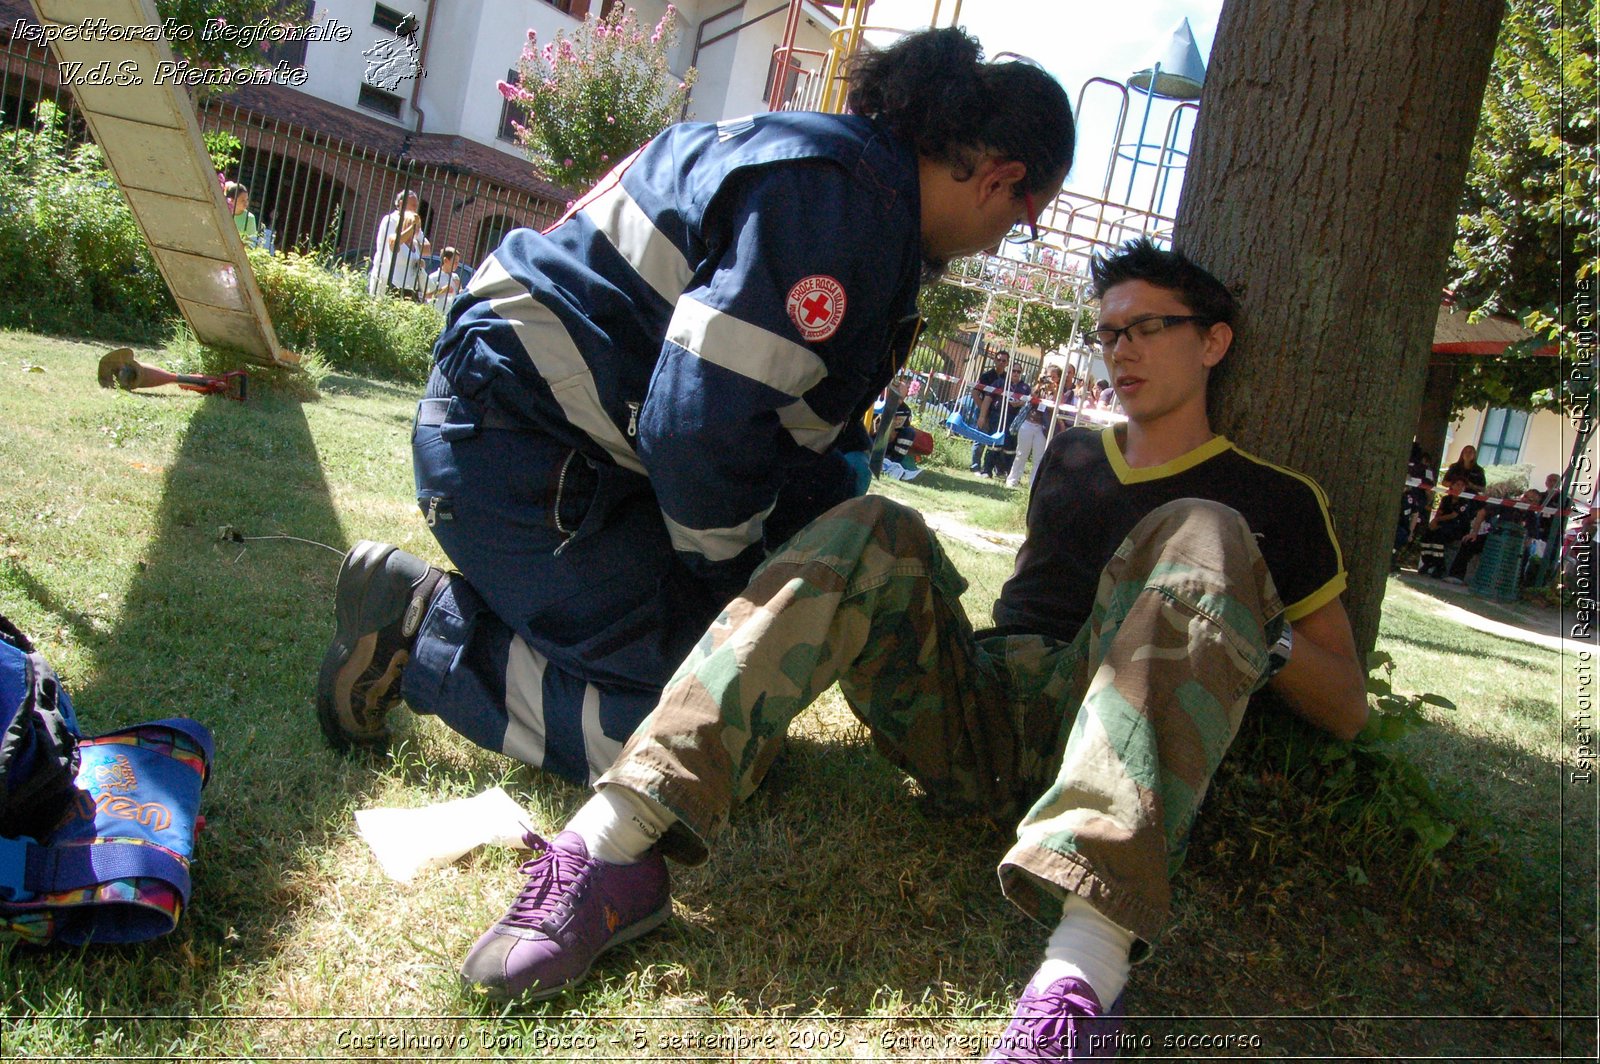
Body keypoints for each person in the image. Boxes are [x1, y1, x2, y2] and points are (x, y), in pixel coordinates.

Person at [455, 238, 1367, 1063]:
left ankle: (1081, 980)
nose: (1119, 350)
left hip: (1112, 719)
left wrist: (1231, 611)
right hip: (976, 711)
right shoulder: (1076, 455)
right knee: (871, 525)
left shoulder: (1273, 502)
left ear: (1213, 342)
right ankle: (618, 842)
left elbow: (1347, 705)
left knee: (1202, 528)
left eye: (1147, 329)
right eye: (1109, 333)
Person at [316, 28, 1076, 788]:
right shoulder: (845, 209)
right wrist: (732, 591)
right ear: (1001, 180)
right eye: (1021, 224)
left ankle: (525, 617)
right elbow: (697, 428)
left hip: (542, 437)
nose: (998, 243)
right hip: (520, 449)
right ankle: (421, 638)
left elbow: (798, 443)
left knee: (725, 688)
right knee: (698, 730)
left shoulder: (846, 180)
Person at [368, 189, 430, 299]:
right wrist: (411, 232)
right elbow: (394, 245)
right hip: (386, 278)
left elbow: (427, 249)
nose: (416, 210)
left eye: (417, 206)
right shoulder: (390, 220)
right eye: (413, 206)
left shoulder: (413, 222)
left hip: (407, 284)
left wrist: (413, 243)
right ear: (401, 204)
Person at [1007, 363, 1061, 488]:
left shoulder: (1058, 391)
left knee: (1038, 457)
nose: (1051, 379)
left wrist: (1054, 389)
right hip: (1028, 423)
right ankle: (1012, 480)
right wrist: (1040, 384)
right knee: (1021, 453)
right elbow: (1031, 397)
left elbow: (1057, 406)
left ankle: (1033, 485)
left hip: (1043, 427)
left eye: (1054, 377)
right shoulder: (1040, 387)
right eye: (1049, 376)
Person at [1417, 473, 1478, 578]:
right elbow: (1440, 511)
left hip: (1456, 529)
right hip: (1443, 525)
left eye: (1462, 486)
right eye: (1457, 484)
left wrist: (1438, 520)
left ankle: (1439, 566)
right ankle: (1427, 562)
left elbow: (1453, 515)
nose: (1459, 487)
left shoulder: (1464, 501)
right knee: (1426, 536)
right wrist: (1434, 522)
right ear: (1452, 486)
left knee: (1438, 538)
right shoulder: (1446, 499)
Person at [425, 247, 463, 313]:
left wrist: (460, 288)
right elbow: (425, 296)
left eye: (458, 262)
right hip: (436, 313)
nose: (457, 264)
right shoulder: (434, 277)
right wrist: (442, 290)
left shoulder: (455, 277)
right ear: (445, 260)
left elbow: (460, 294)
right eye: (455, 261)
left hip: (450, 313)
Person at [224, 181, 259, 247]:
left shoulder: (250, 218)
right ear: (231, 200)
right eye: (242, 200)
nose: (246, 203)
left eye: (247, 200)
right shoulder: (223, 213)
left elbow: (250, 242)